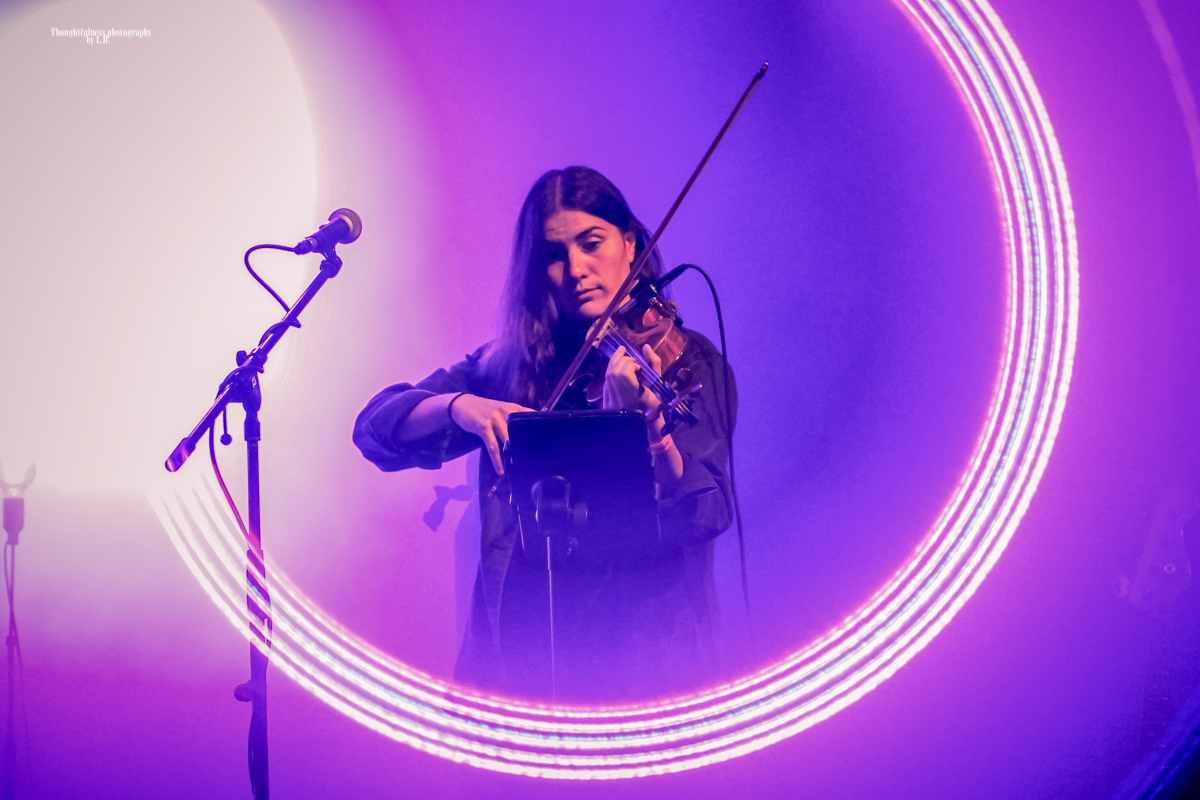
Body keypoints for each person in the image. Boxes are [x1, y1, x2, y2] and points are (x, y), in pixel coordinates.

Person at [353, 166, 735, 702]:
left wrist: (646, 428)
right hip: (523, 655)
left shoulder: (686, 361)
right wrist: (457, 405)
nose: (575, 269)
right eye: (554, 255)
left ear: (629, 241)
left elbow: (705, 510)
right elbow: (376, 429)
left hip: (643, 659)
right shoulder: (513, 364)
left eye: (592, 243)